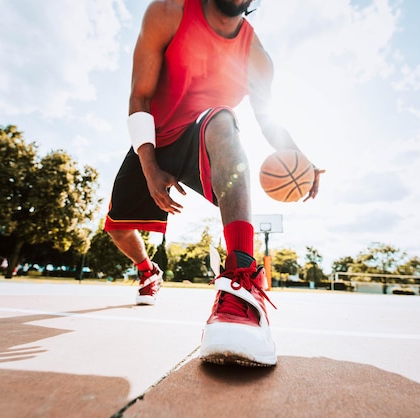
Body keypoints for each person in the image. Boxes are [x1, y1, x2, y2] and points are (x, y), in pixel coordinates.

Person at [105, 0, 324, 367]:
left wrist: (300, 158)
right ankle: (147, 270)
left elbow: (268, 119)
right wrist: (148, 165)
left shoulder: (255, 55)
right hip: (155, 138)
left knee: (223, 117)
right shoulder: (168, 12)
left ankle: (242, 276)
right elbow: (140, 96)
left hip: (204, 134)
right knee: (118, 229)